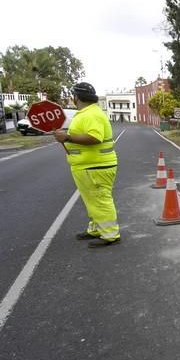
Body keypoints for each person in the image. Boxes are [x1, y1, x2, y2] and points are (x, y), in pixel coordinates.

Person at [54, 82, 121, 247]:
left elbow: (94, 137)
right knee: (92, 201)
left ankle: (110, 234)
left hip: (95, 166)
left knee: (100, 199)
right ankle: (97, 229)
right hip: (88, 166)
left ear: (76, 97)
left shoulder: (91, 114)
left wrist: (67, 138)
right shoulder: (86, 113)